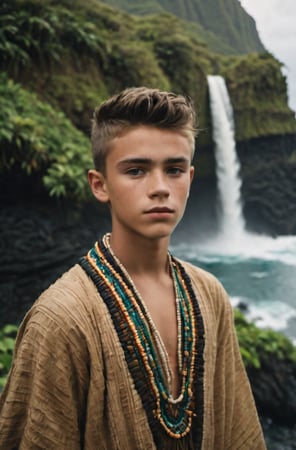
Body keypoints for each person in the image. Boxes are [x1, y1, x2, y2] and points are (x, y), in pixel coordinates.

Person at [0, 87, 266, 449]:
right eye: (136, 170)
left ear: (190, 178)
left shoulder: (210, 294)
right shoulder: (61, 318)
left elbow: (240, 433)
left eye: (173, 170)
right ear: (100, 184)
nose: (159, 188)